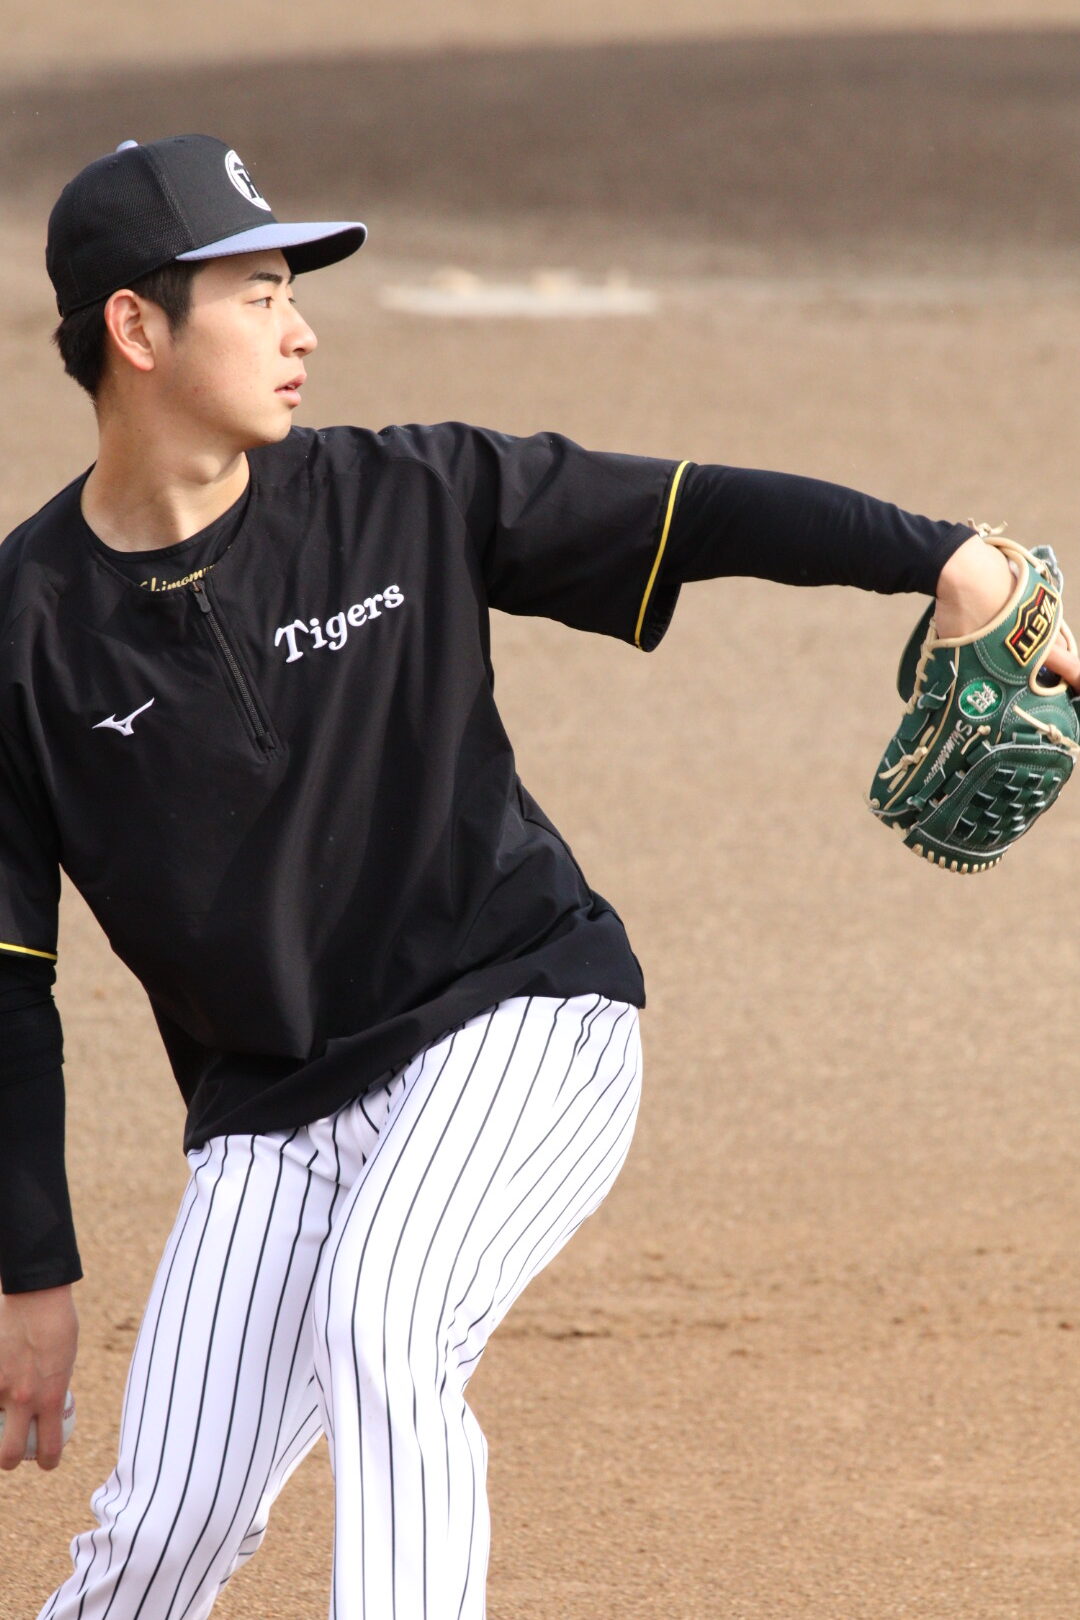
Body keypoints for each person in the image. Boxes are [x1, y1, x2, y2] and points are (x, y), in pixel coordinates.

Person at [1, 134, 1075, 1620]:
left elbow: (694, 506)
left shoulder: (404, 495)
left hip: (517, 1017)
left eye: (292, 293)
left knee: (387, 1320)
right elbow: (10, 987)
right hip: (270, 1107)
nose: (302, 330)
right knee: (159, 1531)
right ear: (135, 326)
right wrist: (33, 1272)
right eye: (258, 295)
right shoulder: (26, 634)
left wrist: (943, 555)